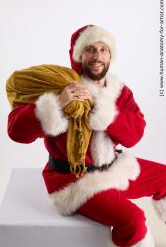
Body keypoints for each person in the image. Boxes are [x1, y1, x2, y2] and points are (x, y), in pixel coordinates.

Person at [7, 25, 166, 247]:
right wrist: (58, 104)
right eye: (90, 49)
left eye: (103, 49)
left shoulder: (118, 91)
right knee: (134, 221)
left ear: (111, 55)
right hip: (73, 180)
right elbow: (16, 132)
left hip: (111, 166)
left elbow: (134, 134)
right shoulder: (59, 86)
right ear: (79, 55)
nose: (97, 55)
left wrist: (102, 108)